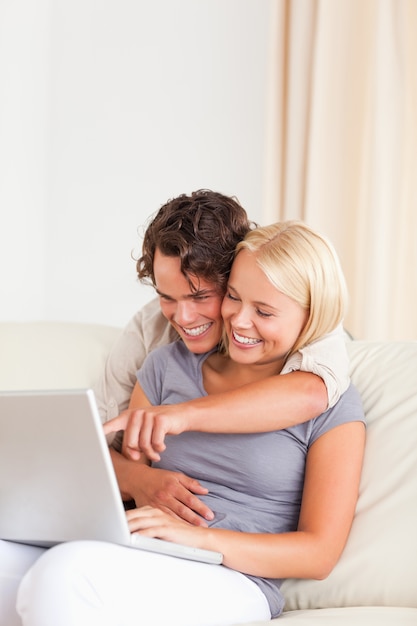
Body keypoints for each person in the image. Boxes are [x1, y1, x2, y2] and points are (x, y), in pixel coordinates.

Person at [0, 190, 348, 626]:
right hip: (143, 548)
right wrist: (135, 487)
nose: (239, 320)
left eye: (202, 296)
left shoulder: (327, 389)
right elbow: (124, 475)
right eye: (236, 300)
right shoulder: (162, 359)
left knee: (62, 576)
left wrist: (194, 537)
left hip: (232, 574)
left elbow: (318, 553)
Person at [98, 190, 350, 525]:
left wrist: (178, 416)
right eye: (167, 296)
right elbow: (95, 444)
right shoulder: (151, 334)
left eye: (200, 296)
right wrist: (139, 480)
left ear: (236, 275)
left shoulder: (312, 328)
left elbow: (311, 394)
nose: (183, 317)